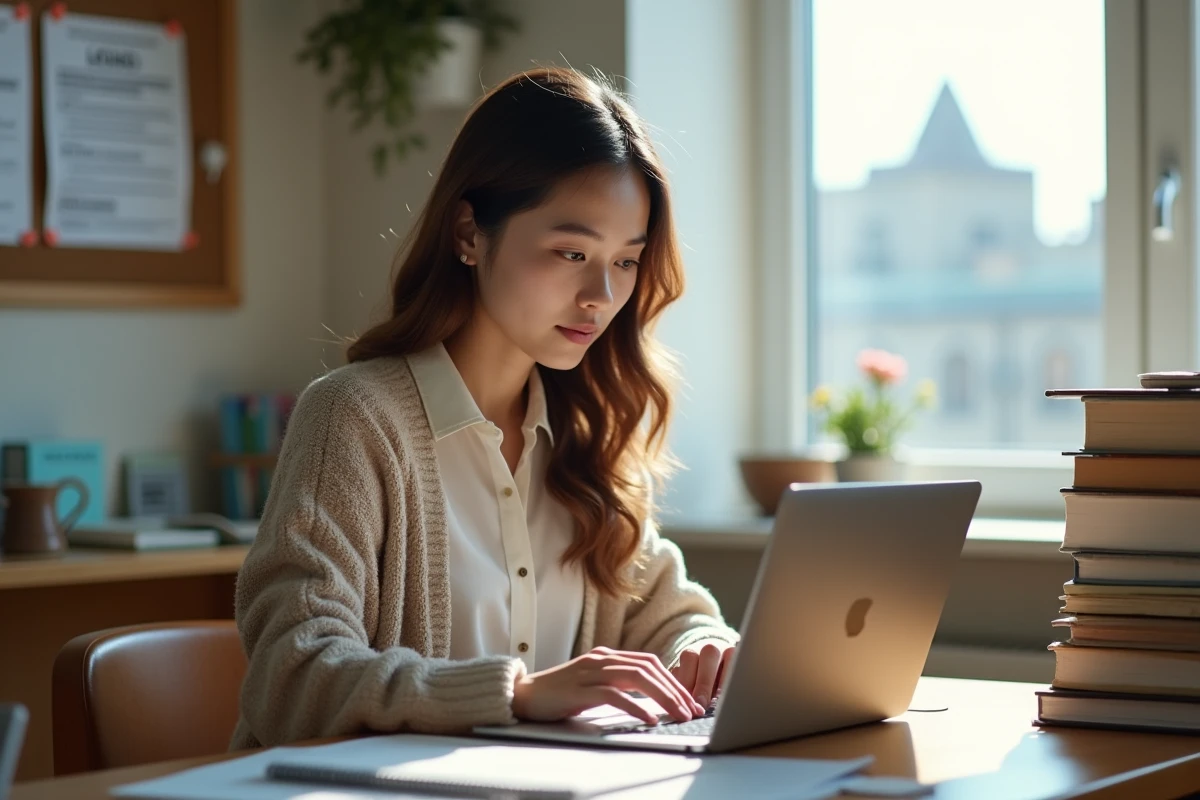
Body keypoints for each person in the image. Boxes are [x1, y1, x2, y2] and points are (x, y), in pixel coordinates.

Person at [231, 67, 739, 750]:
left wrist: (708, 651)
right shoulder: (351, 420)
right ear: (469, 232)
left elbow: (668, 613)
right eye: (571, 252)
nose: (601, 295)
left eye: (625, 261)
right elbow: (292, 677)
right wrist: (518, 695)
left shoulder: (584, 436)